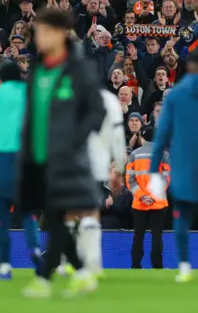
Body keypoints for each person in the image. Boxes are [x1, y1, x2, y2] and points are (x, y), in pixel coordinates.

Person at [17, 9, 105, 298]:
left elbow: (97, 111)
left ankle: (45, 277)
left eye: (42, 32)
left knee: (56, 215)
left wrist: (75, 141)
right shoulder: (38, 69)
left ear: (58, 33)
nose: (38, 39)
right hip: (37, 157)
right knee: (54, 217)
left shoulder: (79, 69)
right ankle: (80, 272)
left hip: (66, 156)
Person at [147, 50, 198, 283]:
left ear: (188, 67)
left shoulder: (176, 95)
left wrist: (153, 169)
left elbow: (162, 134)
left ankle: (185, 266)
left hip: (182, 161)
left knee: (181, 213)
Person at [0, 62, 42, 281]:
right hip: (27, 162)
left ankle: (4, 267)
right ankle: (35, 250)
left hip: (1, 161)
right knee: (28, 212)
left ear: (1, 78)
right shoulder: (32, 95)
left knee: (0, 217)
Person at [81, 85, 126, 278]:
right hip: (93, 164)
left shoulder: (67, 91)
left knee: (75, 213)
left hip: (78, 163)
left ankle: (79, 261)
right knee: (89, 214)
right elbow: (117, 135)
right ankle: (91, 261)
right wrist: (121, 167)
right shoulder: (109, 100)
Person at [126, 127, 170, 270]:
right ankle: (157, 265)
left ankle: (135, 265)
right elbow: (166, 178)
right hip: (158, 202)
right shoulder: (164, 154)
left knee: (138, 235)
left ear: (142, 138)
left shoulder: (134, 154)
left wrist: (142, 196)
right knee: (157, 236)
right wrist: (153, 196)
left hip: (139, 204)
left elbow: (130, 180)